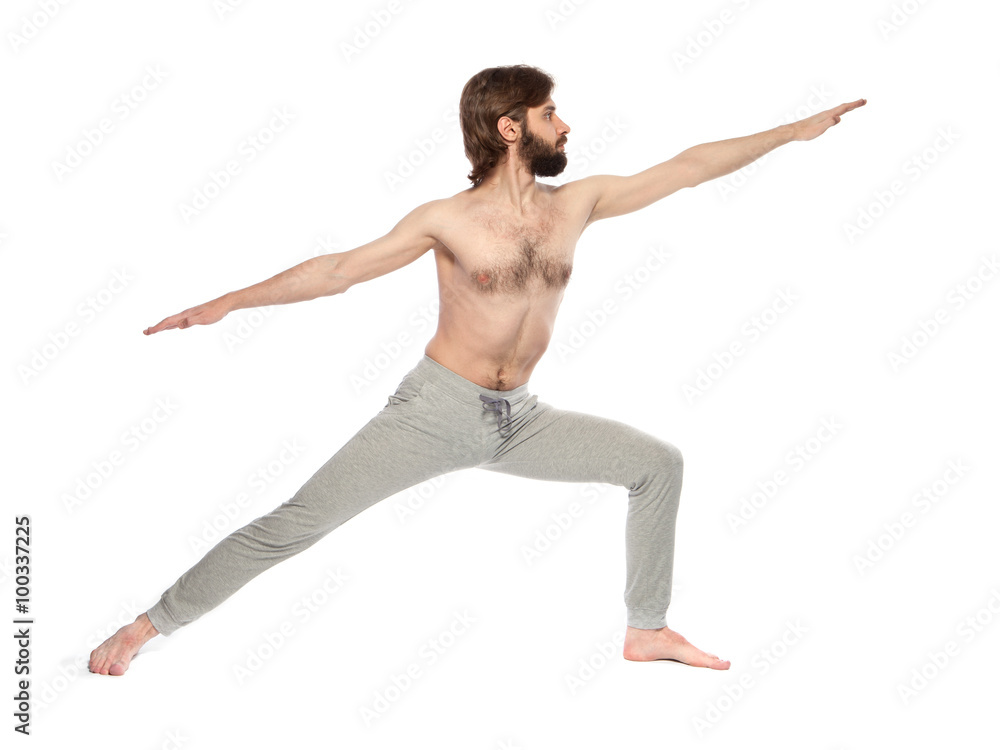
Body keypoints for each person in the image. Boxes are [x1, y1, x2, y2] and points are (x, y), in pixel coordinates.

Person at [89, 64, 865, 676]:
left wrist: (793, 131)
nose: (565, 124)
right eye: (551, 112)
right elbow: (335, 271)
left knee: (656, 464)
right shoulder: (447, 221)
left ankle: (647, 630)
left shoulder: (577, 204)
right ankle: (146, 624)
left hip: (520, 421)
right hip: (434, 413)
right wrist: (227, 301)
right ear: (509, 126)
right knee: (294, 525)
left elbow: (690, 166)